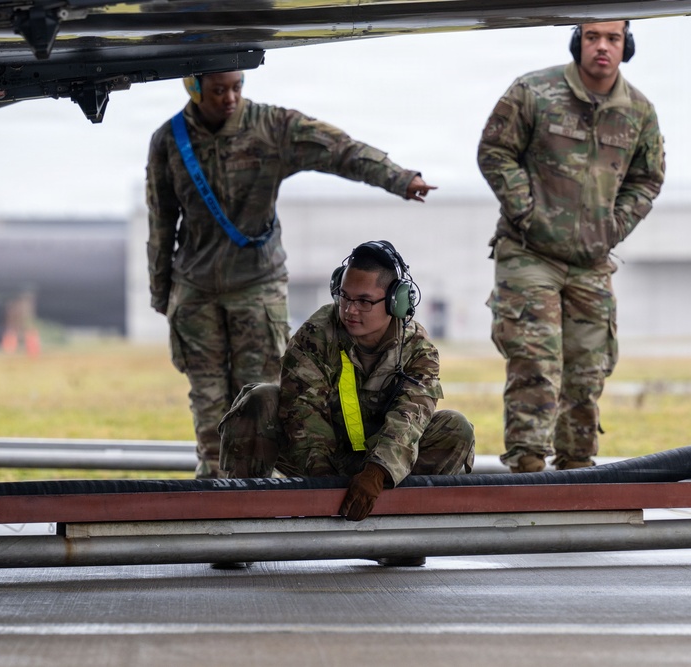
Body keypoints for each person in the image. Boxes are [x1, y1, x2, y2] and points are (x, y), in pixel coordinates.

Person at [146, 70, 438, 478]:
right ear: (193, 88)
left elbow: (338, 149)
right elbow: (161, 222)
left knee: (261, 398)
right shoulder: (169, 142)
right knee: (208, 405)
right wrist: (163, 295)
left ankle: (264, 500)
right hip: (195, 291)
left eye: (237, 87)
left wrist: (399, 178)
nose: (230, 98)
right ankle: (215, 493)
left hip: (257, 287)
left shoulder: (272, 127)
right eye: (218, 90)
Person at [477, 21, 665, 473]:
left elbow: (647, 178)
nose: (602, 47)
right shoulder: (533, 91)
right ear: (578, 40)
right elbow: (494, 151)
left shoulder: (639, 110)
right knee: (536, 366)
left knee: (586, 373)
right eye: (593, 36)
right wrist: (529, 213)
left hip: (591, 260)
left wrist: (613, 228)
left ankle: (577, 473)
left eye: (613, 38)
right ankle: (526, 469)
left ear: (626, 46)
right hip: (529, 252)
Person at [218, 241, 475, 545]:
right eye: (344, 296)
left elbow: (409, 419)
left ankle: (403, 538)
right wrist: (324, 482)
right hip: (318, 455)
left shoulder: (417, 347)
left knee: (455, 428)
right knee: (260, 399)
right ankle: (236, 530)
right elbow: (303, 413)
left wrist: (377, 472)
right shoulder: (317, 333)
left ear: (395, 302)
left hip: (380, 464)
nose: (350, 310)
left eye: (364, 301)